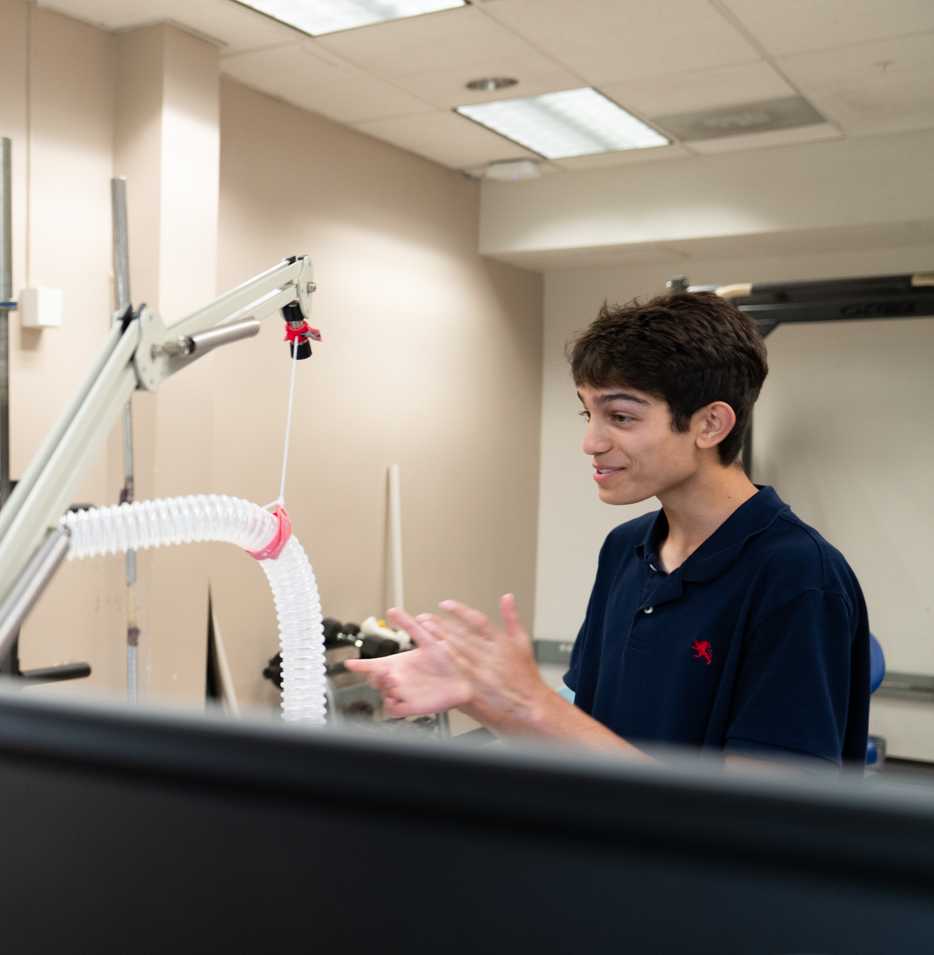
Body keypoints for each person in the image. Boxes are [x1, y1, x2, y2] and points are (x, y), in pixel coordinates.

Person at [348, 291, 870, 774]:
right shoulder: (626, 549)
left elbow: (759, 826)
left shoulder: (799, 577)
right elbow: (580, 741)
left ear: (711, 425)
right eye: (588, 412)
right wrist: (477, 692)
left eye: (620, 416)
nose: (591, 442)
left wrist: (533, 701)